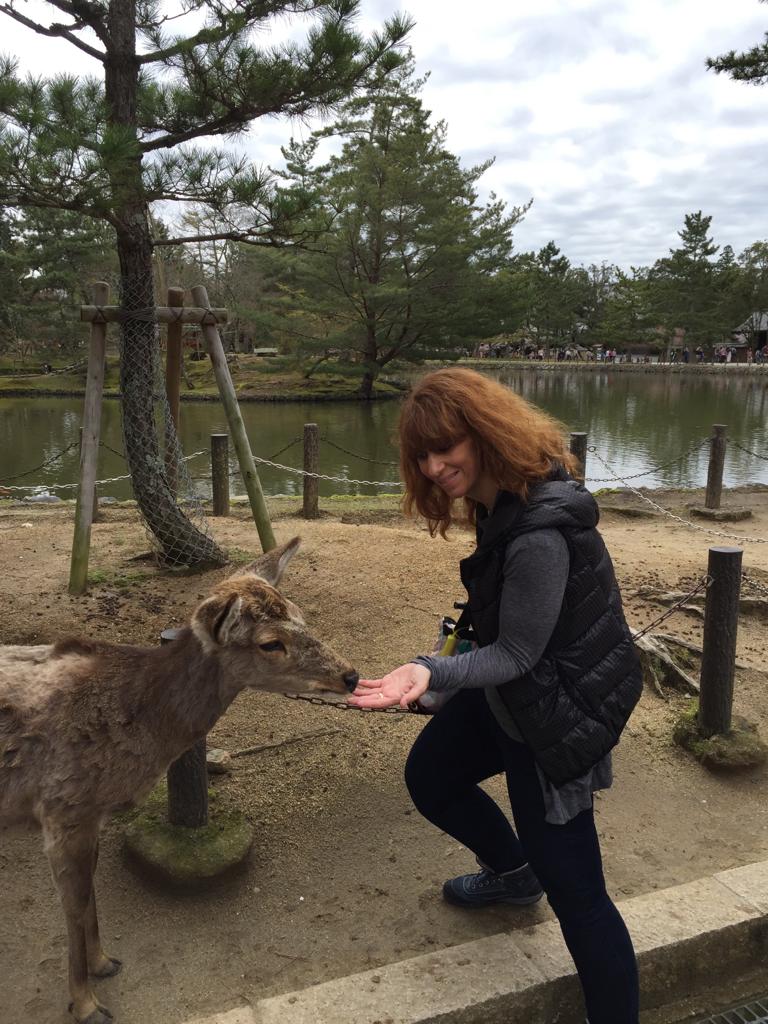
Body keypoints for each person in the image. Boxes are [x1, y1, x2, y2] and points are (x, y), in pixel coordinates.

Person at [349, 368, 642, 1024]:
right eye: (420, 455)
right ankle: (514, 875)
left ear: (481, 434)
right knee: (432, 775)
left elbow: (518, 653)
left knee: (581, 899)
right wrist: (443, 676)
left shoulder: (538, 533)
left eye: (444, 447)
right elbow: (494, 626)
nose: (432, 466)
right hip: (517, 696)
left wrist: (429, 671)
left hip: (556, 715)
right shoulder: (498, 501)